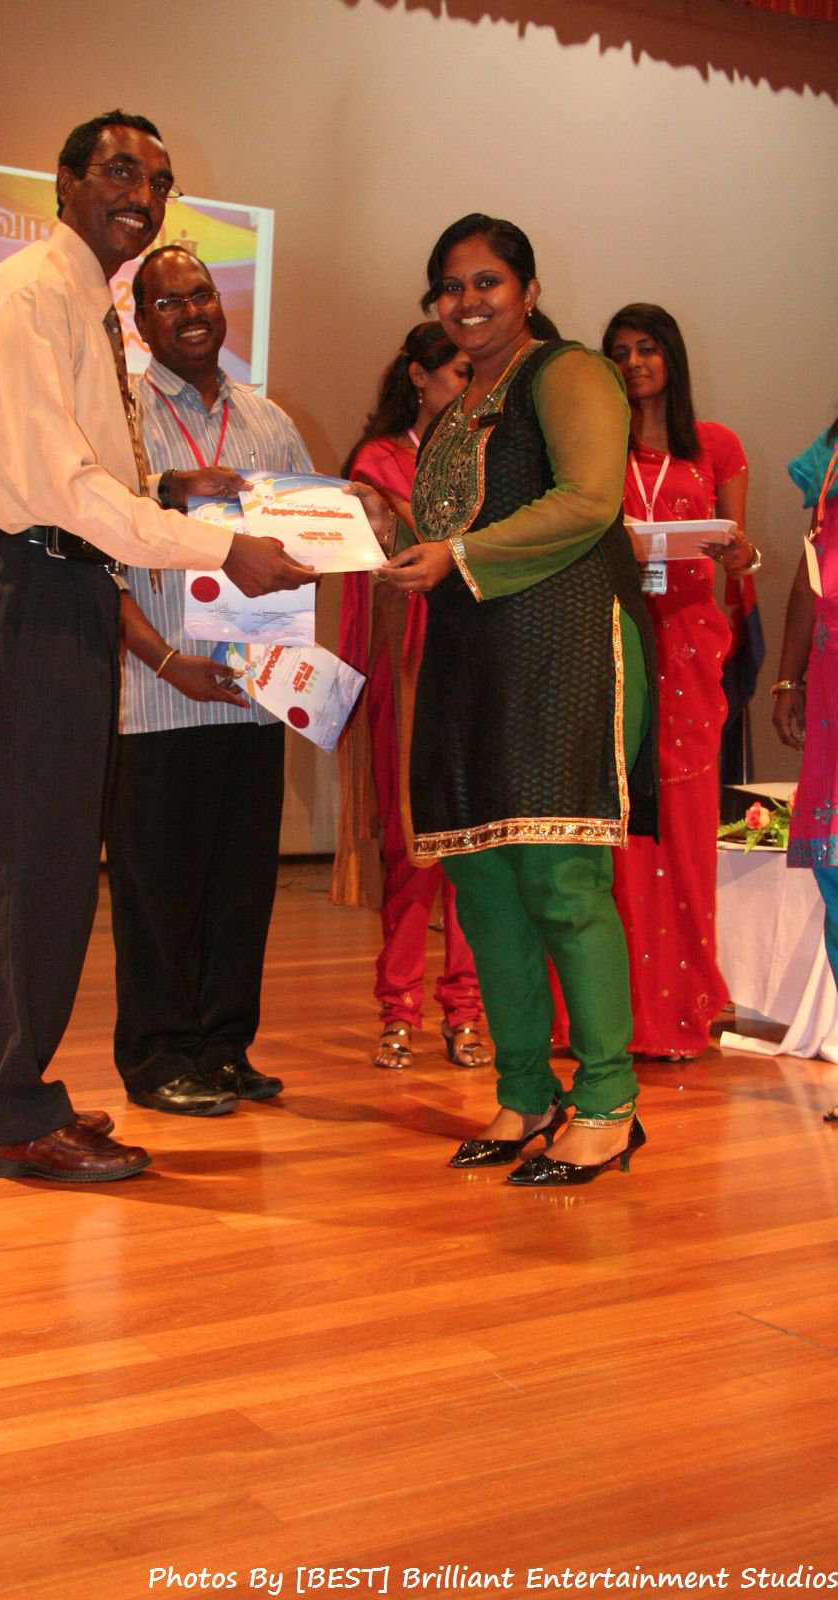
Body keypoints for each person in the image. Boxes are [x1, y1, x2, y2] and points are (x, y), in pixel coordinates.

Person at [0, 111, 312, 1183]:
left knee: (28, 861)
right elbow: (59, 487)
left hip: (53, 582)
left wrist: (168, 487)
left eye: (158, 180)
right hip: (31, 578)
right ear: (63, 181)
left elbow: (81, 473)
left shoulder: (84, 305)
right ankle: (14, 1114)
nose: (140, 196)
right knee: (38, 866)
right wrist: (220, 544)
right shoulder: (33, 293)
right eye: (117, 171)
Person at [368, 213, 659, 1185]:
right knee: (484, 886)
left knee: (559, 879)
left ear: (528, 291)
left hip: (565, 647)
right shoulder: (457, 413)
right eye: (449, 286)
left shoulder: (567, 373)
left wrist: (452, 553)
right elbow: (455, 530)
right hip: (472, 660)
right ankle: (527, 1092)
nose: (466, 301)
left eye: (486, 281)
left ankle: (608, 1102)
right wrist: (384, 526)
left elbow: (587, 499)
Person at [105, 245, 312, 1116]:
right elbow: (96, 566)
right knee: (160, 890)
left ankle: (224, 1047)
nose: (190, 312)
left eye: (202, 295)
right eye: (167, 302)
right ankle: (159, 1057)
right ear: (139, 323)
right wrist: (165, 660)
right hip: (160, 696)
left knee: (240, 887)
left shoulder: (270, 422)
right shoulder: (116, 418)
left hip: (253, 695)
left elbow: (303, 548)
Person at [598, 305, 759, 1061]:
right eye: (621, 352)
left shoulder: (716, 446)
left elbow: (742, 555)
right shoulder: (598, 447)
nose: (635, 363)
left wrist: (741, 556)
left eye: (648, 349)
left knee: (685, 827)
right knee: (616, 824)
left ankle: (683, 1010)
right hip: (614, 642)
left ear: (672, 357)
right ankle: (606, 1013)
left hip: (690, 650)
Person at [333, 323, 488, 1072]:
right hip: (407, 670)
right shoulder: (378, 460)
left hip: (476, 667)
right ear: (420, 377)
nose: (467, 383)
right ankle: (398, 1010)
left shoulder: (485, 455)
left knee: (471, 852)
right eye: (457, 371)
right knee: (411, 849)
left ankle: (466, 1010)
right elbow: (390, 557)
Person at [772, 413, 838, 1124]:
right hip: (831, 688)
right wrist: (787, 678)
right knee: (835, 873)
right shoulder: (828, 457)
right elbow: (809, 571)